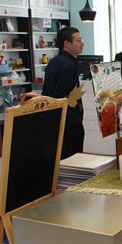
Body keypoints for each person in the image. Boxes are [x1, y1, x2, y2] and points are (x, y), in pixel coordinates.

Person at [42, 27, 85, 159]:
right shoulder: (68, 65)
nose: (82, 43)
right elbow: (63, 95)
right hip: (69, 120)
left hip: (54, 119)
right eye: (79, 40)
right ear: (67, 43)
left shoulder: (54, 62)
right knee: (72, 158)